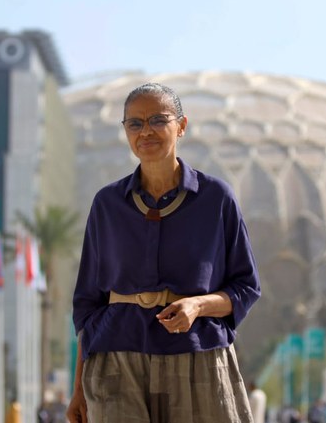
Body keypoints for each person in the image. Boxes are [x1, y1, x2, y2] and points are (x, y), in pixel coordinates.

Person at [67, 82, 261, 423]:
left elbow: (246, 287)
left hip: (196, 358)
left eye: (159, 120)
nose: (146, 132)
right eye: (135, 123)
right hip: (116, 360)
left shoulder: (216, 198)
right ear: (125, 131)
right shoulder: (107, 205)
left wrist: (197, 305)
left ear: (182, 126)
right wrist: (78, 387)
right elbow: (88, 305)